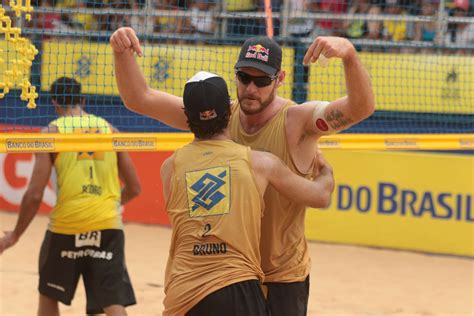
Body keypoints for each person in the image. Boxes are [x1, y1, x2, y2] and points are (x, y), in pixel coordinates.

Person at [110, 27, 375, 316]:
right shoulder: (220, 115)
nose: (251, 88)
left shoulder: (296, 121)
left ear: (280, 80)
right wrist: (120, 50)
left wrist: (349, 54)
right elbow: (140, 98)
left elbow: (360, 108)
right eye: (244, 77)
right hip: (231, 276)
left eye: (262, 80)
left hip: (281, 275)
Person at [160, 71, 334, 315]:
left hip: (183, 292)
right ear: (230, 111)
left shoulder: (169, 168)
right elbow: (320, 196)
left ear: (187, 116)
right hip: (237, 286)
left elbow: (139, 97)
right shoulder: (260, 163)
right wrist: (325, 170)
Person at [0, 77, 141, 316]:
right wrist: (110, 205)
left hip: (67, 226)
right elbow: (134, 188)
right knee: (112, 300)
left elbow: (34, 194)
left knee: (49, 295)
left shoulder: (51, 133)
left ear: (54, 102)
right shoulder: (110, 130)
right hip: (107, 225)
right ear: (83, 99)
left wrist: (15, 234)